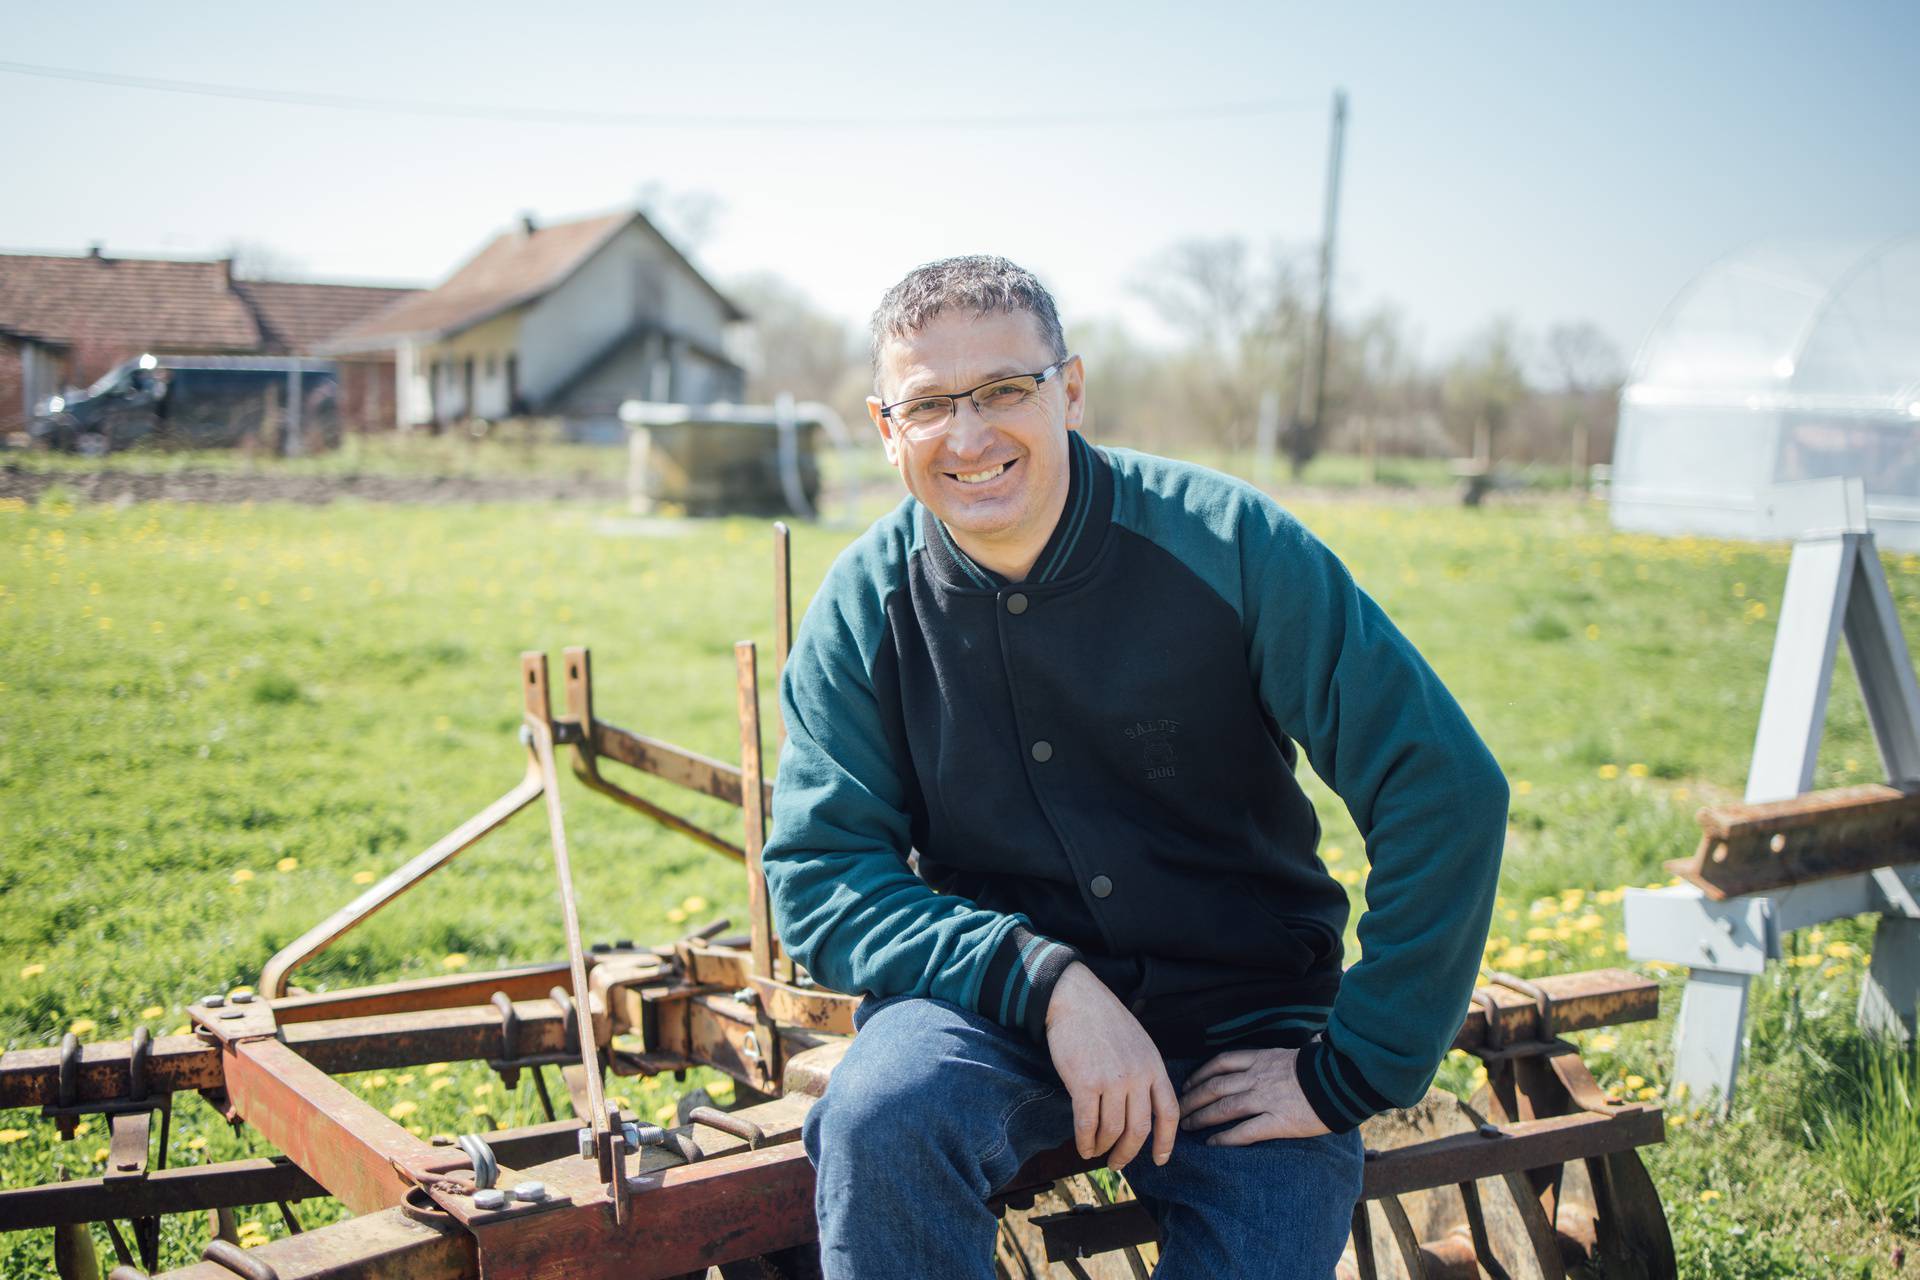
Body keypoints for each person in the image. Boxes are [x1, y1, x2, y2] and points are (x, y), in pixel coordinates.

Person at [761, 255, 1507, 1279]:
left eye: (1005, 389)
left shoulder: (1231, 543)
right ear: (888, 430)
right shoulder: (863, 606)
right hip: (990, 1012)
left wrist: (1351, 1071)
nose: (969, 435)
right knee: (881, 1114)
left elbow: (1445, 787)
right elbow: (821, 872)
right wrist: (1048, 981)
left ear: (1070, 389)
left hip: (1242, 1022)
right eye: (929, 403)